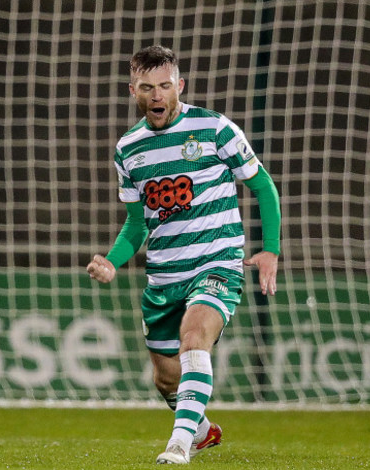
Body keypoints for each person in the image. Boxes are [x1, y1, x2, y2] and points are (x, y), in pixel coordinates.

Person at [87, 45, 281, 465]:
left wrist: (271, 250)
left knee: (195, 337)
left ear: (180, 86)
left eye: (165, 86)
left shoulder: (215, 129)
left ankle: (178, 445)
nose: (157, 95)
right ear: (132, 90)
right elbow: (136, 225)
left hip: (217, 262)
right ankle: (202, 429)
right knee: (165, 377)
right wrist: (111, 260)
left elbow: (263, 186)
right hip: (164, 276)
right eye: (147, 87)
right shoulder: (129, 149)